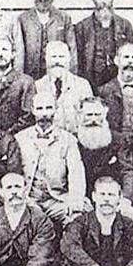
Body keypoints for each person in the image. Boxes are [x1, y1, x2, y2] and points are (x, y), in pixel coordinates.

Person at [15, 93, 86, 226]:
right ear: (33, 110)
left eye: (48, 108)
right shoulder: (20, 139)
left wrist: (74, 201)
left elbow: (76, 174)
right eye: (40, 109)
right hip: (29, 199)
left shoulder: (68, 140)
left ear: (55, 109)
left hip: (57, 200)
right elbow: (13, 173)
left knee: (77, 219)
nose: (44, 114)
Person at [76, 97, 133, 207]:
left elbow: (129, 171)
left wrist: (126, 199)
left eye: (97, 114)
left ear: (104, 115)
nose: (93, 120)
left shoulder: (118, 140)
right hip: (86, 199)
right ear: (80, 116)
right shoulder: (73, 141)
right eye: (89, 115)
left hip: (114, 198)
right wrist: (79, 197)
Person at [75, 0, 133, 90]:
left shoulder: (125, 26)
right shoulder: (82, 27)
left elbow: (132, 56)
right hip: (91, 84)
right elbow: (77, 61)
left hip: (117, 85)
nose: (104, 1)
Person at [97, 43, 133, 166]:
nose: (130, 61)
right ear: (116, 60)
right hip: (117, 149)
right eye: (126, 57)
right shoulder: (104, 91)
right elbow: (102, 127)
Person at [18, 0, 77, 80]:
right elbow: (19, 53)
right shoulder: (23, 19)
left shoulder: (63, 18)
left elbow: (72, 51)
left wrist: (70, 79)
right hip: (30, 78)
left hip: (56, 78)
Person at [35, 41, 93, 134]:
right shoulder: (38, 86)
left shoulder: (82, 85)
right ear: (46, 59)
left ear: (69, 59)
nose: (57, 61)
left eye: (61, 57)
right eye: (53, 57)